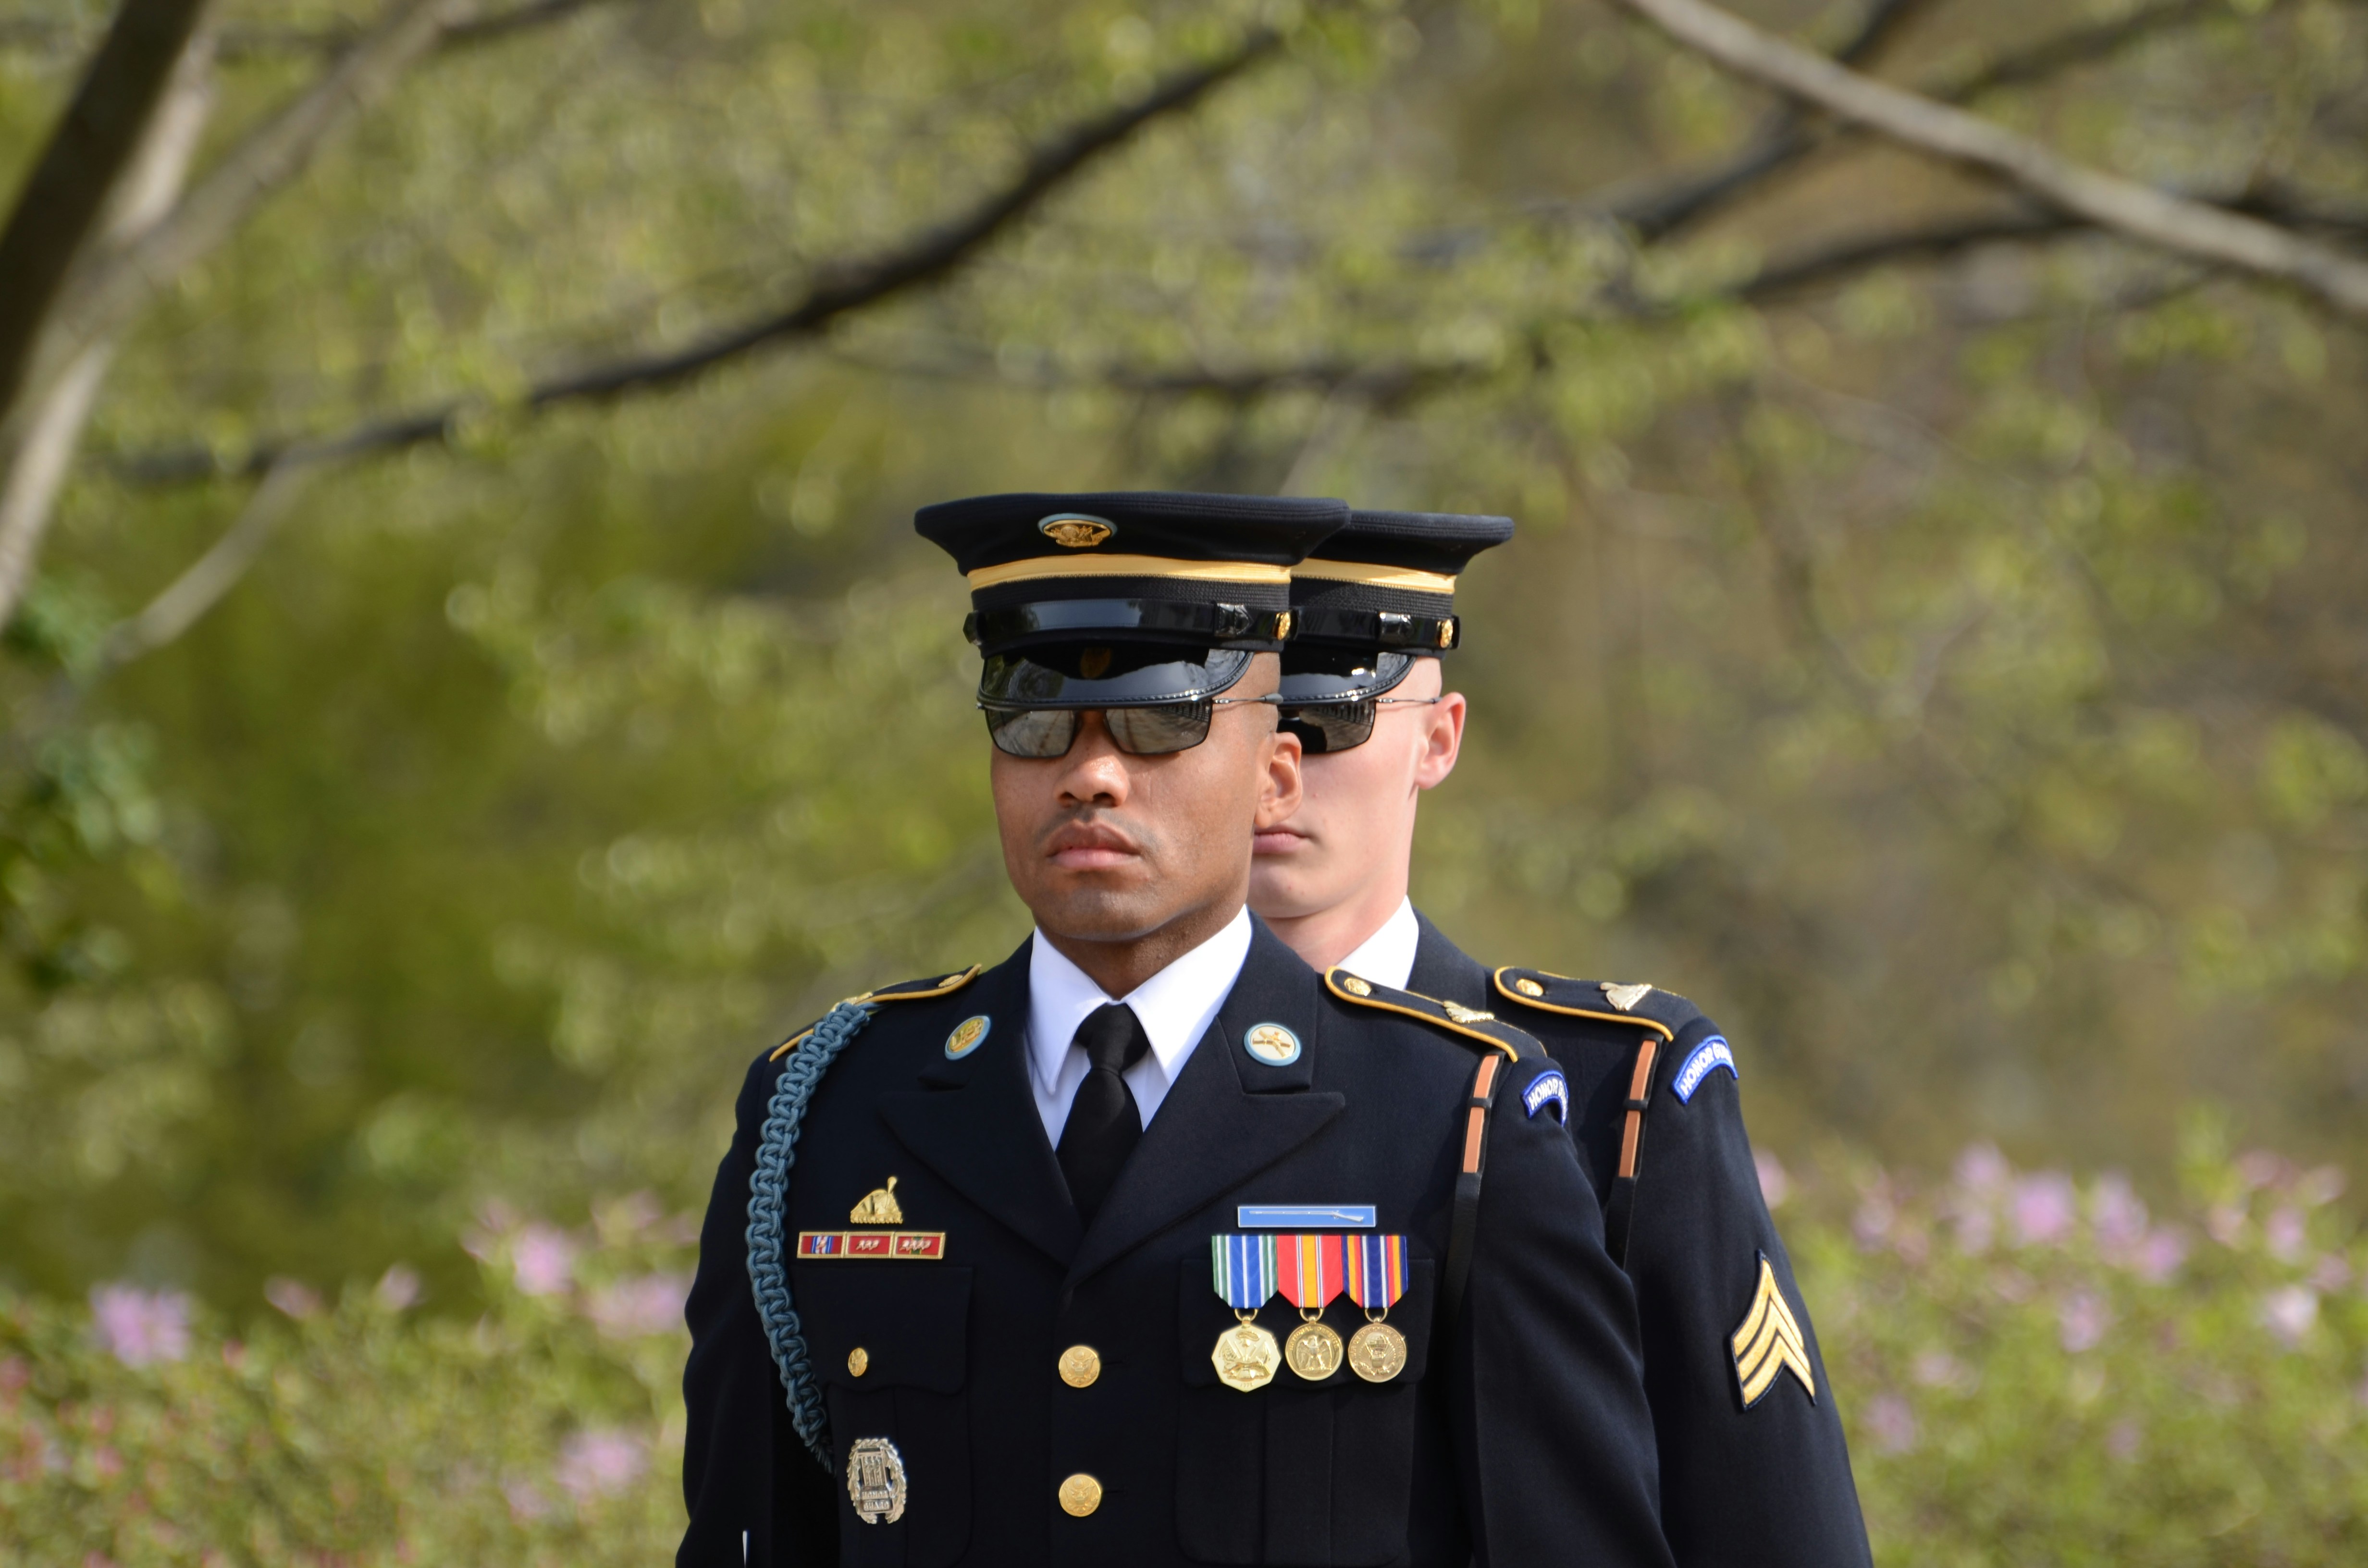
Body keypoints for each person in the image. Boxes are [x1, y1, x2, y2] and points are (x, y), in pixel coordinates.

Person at [679, 491, 1677, 1568]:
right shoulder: (832, 1109)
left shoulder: (1454, 1113)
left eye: (1162, 724)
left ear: (1273, 777)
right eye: (1035, 722)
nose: (1090, 773)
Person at [1251, 508, 1874, 1568]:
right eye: (1234, 729)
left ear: (1437, 740)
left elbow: (1771, 1525)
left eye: (1329, 724)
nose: (1279, 771)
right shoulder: (1088, 1088)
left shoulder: (1617, 1092)